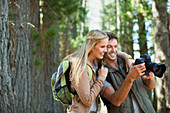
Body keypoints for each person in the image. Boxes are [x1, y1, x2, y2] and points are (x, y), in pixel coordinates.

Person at [100, 32, 156, 113]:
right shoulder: (102, 73)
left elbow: (150, 86)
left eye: (115, 46)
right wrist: (131, 77)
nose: (113, 50)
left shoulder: (129, 63)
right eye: (109, 47)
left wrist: (150, 77)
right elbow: (116, 101)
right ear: (104, 48)